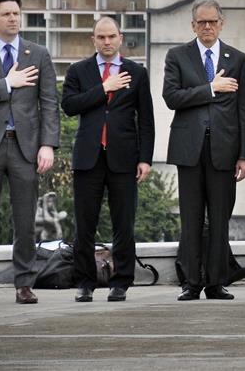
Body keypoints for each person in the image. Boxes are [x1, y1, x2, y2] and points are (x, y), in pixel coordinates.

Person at [163, 0, 245, 301]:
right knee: (190, 218)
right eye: (201, 22)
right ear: (193, 26)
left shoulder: (238, 59)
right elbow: (172, 97)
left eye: (212, 22)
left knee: (219, 218)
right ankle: (191, 281)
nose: (207, 27)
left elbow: (244, 111)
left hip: (224, 151)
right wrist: (211, 88)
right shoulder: (178, 56)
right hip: (189, 149)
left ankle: (216, 281)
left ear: (221, 23)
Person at [61, 17, 155, 303]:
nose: (107, 42)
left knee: (123, 223)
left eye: (112, 36)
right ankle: (85, 282)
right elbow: (69, 106)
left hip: (124, 158)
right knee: (85, 224)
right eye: (101, 37)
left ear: (120, 37)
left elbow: (146, 120)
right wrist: (104, 87)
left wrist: (145, 159)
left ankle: (121, 281)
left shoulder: (136, 72)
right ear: (93, 40)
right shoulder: (79, 71)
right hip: (88, 158)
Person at [0, 0, 58, 306]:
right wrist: (7, 82)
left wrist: (48, 144)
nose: (14, 18)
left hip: (25, 148)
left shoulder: (37, 53)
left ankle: (24, 283)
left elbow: (49, 102)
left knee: (25, 220)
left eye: (17, 13)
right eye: (7, 14)